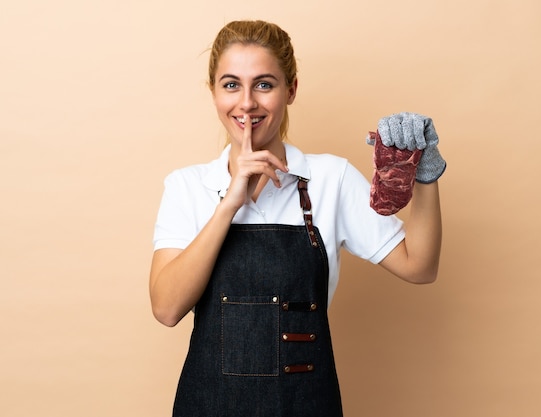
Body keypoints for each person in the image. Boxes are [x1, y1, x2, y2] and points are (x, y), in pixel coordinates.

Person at [149, 20, 445, 417]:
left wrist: (425, 174)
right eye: (232, 84)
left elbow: (419, 266)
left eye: (265, 84)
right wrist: (229, 204)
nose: (247, 103)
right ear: (214, 92)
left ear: (291, 89)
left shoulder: (331, 179)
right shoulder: (188, 186)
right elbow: (166, 309)